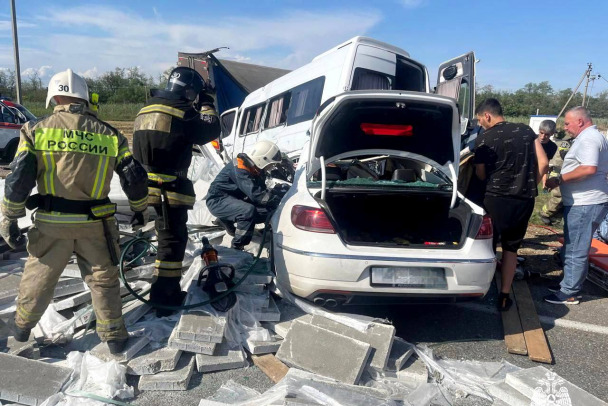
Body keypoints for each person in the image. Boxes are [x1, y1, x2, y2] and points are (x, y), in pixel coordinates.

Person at [0, 69, 149, 353]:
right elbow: (134, 176)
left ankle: (22, 328)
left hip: (51, 224)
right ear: (85, 97)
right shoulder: (110, 135)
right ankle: (115, 337)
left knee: (39, 276)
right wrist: (140, 208)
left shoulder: (35, 130)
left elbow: (19, 178)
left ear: (53, 97)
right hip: (96, 225)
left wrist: (9, 216)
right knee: (103, 279)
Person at [132, 67, 220, 316]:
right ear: (190, 91)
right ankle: (164, 298)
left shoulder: (146, 109)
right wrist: (206, 101)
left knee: (164, 241)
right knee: (172, 244)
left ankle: (163, 290)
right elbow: (211, 129)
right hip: (169, 189)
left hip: (146, 187)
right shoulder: (182, 112)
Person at [473, 98, 548, 311]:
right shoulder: (526, 131)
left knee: (488, 245)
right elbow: (543, 163)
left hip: (495, 198)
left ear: (487, 115)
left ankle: (482, 288)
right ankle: (505, 294)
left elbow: (480, 174)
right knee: (511, 247)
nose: (480, 124)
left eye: (480, 120)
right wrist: (530, 182)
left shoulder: (484, 139)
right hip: (524, 200)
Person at [544, 106, 608, 304]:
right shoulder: (593, 137)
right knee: (573, 245)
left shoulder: (589, 138)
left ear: (580, 121)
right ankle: (568, 283)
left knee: (575, 248)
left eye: (567, 123)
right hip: (586, 200)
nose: (565, 127)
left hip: (585, 203)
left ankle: (570, 291)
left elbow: (588, 169)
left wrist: (560, 179)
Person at [206, 140, 288, 250]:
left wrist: (275, 198)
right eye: (271, 164)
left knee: (270, 210)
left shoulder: (255, 169)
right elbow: (258, 196)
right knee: (247, 211)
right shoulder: (241, 168)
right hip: (217, 201)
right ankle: (237, 246)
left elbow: (262, 193)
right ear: (262, 160)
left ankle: (227, 220)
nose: (271, 167)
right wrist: (279, 200)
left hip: (233, 199)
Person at [539, 128, 572, 225]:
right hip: (558, 171)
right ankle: (544, 213)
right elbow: (564, 155)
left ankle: (555, 218)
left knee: (564, 197)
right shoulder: (566, 143)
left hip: (565, 172)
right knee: (558, 196)